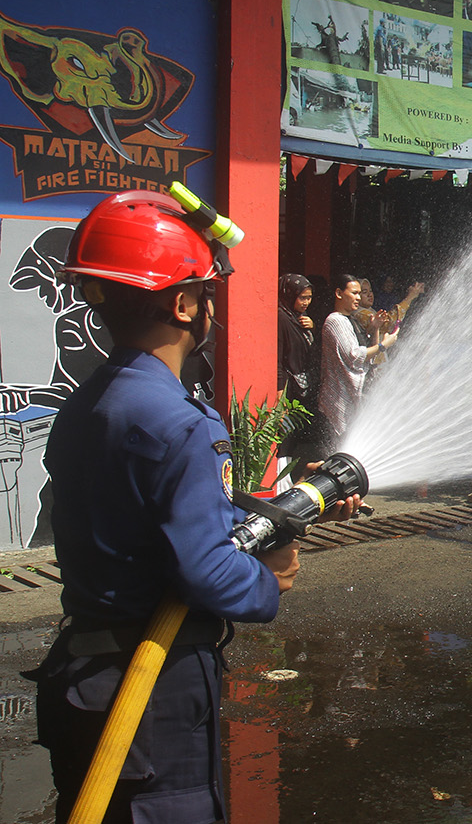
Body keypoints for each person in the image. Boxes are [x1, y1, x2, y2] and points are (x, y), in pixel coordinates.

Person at [24, 189, 360, 822]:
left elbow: (151, 510)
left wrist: (277, 507)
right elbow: (203, 569)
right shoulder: (177, 421)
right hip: (149, 688)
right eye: (206, 294)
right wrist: (270, 579)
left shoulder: (93, 402)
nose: (212, 307)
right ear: (182, 303)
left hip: (87, 676)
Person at [320, 273, 397, 448]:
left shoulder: (350, 320)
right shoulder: (335, 321)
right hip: (341, 398)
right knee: (341, 448)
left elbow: (368, 358)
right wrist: (384, 345)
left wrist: (375, 328)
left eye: (359, 293)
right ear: (339, 293)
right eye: (354, 293)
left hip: (352, 397)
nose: (358, 297)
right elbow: (355, 356)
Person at [277, 273, 320, 488]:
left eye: (309, 298)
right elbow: (279, 356)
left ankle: (287, 479)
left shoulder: (298, 319)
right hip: (288, 388)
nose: (306, 303)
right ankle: (281, 483)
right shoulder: (281, 318)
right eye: (302, 297)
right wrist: (279, 395)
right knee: (283, 438)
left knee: (293, 437)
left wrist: (310, 330)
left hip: (300, 387)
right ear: (289, 294)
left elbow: (309, 353)